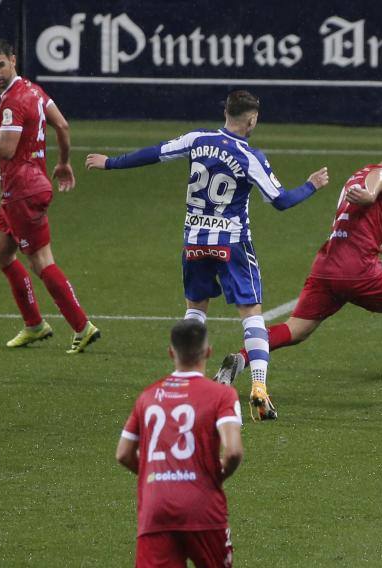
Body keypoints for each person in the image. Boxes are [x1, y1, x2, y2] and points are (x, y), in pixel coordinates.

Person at [86, 90, 329, 420]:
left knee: (196, 311)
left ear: (225, 112)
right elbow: (281, 201)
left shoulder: (198, 140)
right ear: (252, 119)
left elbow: (156, 153)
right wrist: (311, 185)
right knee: (251, 313)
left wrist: (111, 163)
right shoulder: (249, 155)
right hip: (232, 244)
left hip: (194, 241)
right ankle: (259, 386)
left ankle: (187, 383)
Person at [215, 141, 382, 397]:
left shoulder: (355, 177)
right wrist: (370, 194)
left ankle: (241, 359)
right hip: (359, 271)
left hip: (327, 267)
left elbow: (357, 228)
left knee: (296, 330)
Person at [0, 38, 99, 354]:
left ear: (13, 60)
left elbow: (6, 149)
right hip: (20, 190)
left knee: (42, 262)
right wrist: (62, 162)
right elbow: (62, 124)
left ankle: (82, 326)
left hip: (23, 192)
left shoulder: (12, 103)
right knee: (0, 253)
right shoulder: (33, 91)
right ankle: (34, 325)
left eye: (0, 65)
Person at [116, 319, 243, 568]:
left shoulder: (148, 396)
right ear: (208, 351)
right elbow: (234, 451)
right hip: (202, 506)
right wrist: (214, 476)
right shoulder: (221, 394)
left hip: (156, 507)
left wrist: (155, 473)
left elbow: (123, 454)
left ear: (171, 352)